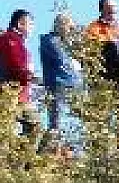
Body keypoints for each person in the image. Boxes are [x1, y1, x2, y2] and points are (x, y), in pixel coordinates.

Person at [1, 10, 44, 149]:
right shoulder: (10, 39)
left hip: (20, 94)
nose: (32, 27)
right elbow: (15, 66)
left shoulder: (18, 42)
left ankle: (21, 159)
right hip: (10, 92)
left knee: (34, 124)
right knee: (9, 128)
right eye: (30, 24)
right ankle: (15, 160)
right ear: (20, 23)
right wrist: (33, 78)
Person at [38, 10, 82, 139]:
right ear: (63, 26)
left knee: (70, 120)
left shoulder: (62, 43)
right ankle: (51, 149)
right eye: (69, 27)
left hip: (68, 85)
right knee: (55, 122)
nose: (71, 31)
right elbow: (62, 62)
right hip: (59, 84)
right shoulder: (51, 41)